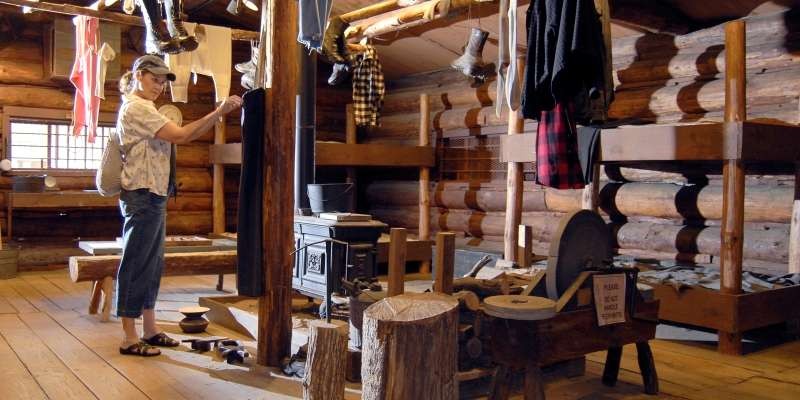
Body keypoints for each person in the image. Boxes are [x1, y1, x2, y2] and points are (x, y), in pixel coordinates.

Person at [115, 54, 242, 356]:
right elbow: (182, 135)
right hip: (142, 194)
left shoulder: (149, 108)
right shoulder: (136, 109)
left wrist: (217, 115)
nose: (159, 86)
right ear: (139, 75)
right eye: (154, 79)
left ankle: (149, 329)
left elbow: (182, 136)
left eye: (162, 81)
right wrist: (218, 112)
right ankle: (129, 337)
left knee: (153, 263)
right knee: (136, 263)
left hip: (153, 193)